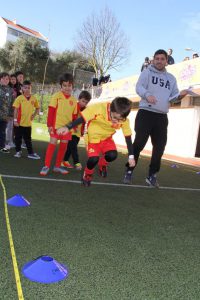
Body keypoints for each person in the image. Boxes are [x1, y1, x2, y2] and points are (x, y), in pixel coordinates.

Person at [123, 49, 187, 187]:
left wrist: (181, 95)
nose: (159, 61)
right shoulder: (146, 72)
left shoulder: (171, 78)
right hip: (146, 113)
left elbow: (174, 98)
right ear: (153, 60)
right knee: (139, 144)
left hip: (162, 117)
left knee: (159, 147)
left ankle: (152, 175)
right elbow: (139, 87)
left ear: (166, 61)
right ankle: (129, 171)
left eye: (162, 59)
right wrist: (147, 95)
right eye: (157, 58)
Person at [57, 97, 135, 186]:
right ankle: (88, 173)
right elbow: (82, 119)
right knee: (94, 159)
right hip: (93, 138)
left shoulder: (124, 120)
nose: (116, 121)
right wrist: (67, 127)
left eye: (120, 119)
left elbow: (128, 138)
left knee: (112, 155)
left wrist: (131, 157)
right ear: (110, 109)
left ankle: (102, 165)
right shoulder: (99, 108)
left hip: (107, 139)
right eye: (115, 117)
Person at [40, 73, 78, 176]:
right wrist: (49, 126)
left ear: (72, 86)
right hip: (55, 127)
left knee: (63, 146)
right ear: (61, 86)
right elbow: (51, 112)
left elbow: (75, 116)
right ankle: (46, 166)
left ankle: (57, 166)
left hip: (66, 129)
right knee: (52, 143)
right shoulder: (56, 97)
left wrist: (74, 127)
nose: (67, 88)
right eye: (64, 85)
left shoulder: (74, 101)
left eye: (69, 85)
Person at [62, 90, 91, 170]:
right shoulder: (74, 106)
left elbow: (84, 122)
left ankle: (65, 160)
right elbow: (69, 117)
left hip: (78, 133)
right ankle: (77, 162)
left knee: (70, 148)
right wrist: (71, 127)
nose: (84, 103)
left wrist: (82, 132)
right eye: (83, 101)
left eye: (86, 102)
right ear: (79, 99)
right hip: (71, 132)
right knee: (73, 147)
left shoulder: (86, 110)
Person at [13, 80, 40, 159]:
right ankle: (18, 152)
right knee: (17, 138)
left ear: (31, 88)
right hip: (19, 123)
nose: (27, 89)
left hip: (28, 124)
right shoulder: (19, 98)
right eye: (25, 88)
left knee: (28, 140)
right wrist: (15, 120)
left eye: (29, 88)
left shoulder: (34, 98)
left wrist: (33, 115)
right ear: (22, 88)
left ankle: (30, 153)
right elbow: (16, 110)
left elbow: (38, 108)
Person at [0, 72, 14, 153]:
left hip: (5, 116)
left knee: (2, 131)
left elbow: (12, 103)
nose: (7, 80)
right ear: (0, 78)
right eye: (5, 78)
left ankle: (2, 147)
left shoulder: (10, 90)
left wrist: (11, 115)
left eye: (8, 79)